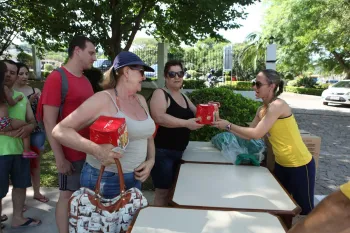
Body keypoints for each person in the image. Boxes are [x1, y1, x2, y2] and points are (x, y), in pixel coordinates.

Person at [52, 51, 156, 199]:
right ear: (126, 72)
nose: (144, 77)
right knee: (102, 222)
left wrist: (151, 161)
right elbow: (59, 130)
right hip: (106, 179)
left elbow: (148, 135)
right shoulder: (103, 99)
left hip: (136, 178)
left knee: (130, 222)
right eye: (141, 72)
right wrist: (97, 150)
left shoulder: (140, 100)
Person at [212, 69, 316, 215]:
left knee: (305, 211)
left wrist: (228, 125)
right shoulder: (262, 109)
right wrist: (221, 121)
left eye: (258, 84)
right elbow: (248, 135)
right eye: (254, 83)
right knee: (281, 206)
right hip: (281, 164)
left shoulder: (278, 105)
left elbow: (257, 134)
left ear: (272, 86)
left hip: (300, 164)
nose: (254, 87)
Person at [37, 35, 96, 233]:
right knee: (66, 196)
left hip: (87, 151)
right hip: (70, 153)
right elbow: (48, 121)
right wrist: (59, 158)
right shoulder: (56, 78)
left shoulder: (86, 80)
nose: (94, 57)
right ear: (77, 51)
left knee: (83, 196)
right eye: (91, 52)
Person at [149, 60, 203, 206]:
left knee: (175, 191)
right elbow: (159, 117)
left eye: (180, 73)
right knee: (162, 192)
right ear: (165, 77)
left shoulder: (183, 96)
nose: (177, 77)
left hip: (180, 152)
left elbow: (197, 113)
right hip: (162, 152)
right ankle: (158, 224)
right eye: (172, 74)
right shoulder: (160, 93)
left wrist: (210, 111)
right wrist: (186, 123)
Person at [0, 60, 41, 231]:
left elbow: (32, 120)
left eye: (13, 72)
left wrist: (29, 127)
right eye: (6, 71)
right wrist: (8, 132)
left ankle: (17, 218)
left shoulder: (21, 97)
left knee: (21, 185)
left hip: (20, 152)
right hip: (1, 153)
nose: (9, 75)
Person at [13, 62, 49, 203]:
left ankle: (37, 192)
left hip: (36, 130)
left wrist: (39, 100)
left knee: (35, 164)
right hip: (18, 132)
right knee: (19, 166)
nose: (24, 76)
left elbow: (42, 111)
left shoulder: (35, 90)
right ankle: (20, 200)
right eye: (20, 74)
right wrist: (28, 100)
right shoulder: (9, 93)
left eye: (26, 73)